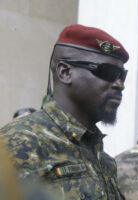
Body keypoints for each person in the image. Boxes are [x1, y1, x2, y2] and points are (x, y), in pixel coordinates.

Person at [0, 24, 129, 200]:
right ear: (65, 72)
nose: (120, 84)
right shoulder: (17, 144)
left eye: (122, 75)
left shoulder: (102, 158)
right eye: (109, 72)